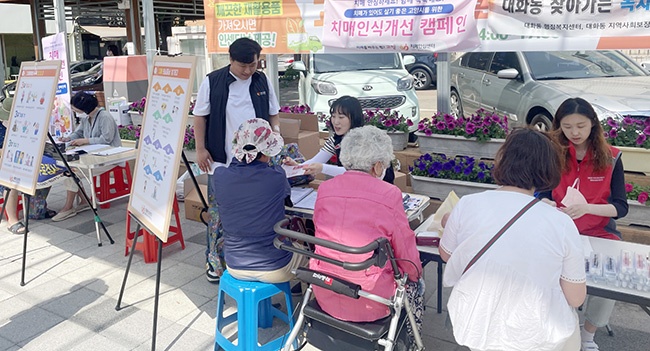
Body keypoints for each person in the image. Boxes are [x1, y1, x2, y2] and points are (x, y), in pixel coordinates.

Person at [440, 128, 586, 351]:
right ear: (548, 169)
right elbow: (576, 298)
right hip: (538, 334)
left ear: (502, 159)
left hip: (478, 322)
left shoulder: (467, 204)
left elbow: (446, 254)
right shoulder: (561, 222)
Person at [310, 125, 423, 340]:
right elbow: (406, 256)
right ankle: (408, 341)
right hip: (370, 299)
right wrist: (416, 275)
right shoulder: (389, 194)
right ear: (378, 166)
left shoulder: (325, 189)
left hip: (325, 288)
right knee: (416, 283)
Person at [537, 97, 628, 351]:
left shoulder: (611, 157)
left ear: (593, 125)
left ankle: (588, 335)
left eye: (581, 126)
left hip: (600, 232)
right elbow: (542, 193)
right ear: (558, 126)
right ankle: (564, 327)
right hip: (559, 232)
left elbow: (621, 207)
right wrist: (548, 205)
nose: (574, 133)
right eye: (567, 127)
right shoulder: (552, 153)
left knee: (609, 278)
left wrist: (587, 208)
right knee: (546, 271)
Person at [192, 37, 280, 283]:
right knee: (219, 213)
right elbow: (199, 117)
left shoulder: (262, 80)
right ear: (230, 60)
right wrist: (200, 149)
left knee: (257, 211)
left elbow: (273, 114)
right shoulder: (213, 81)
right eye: (243, 66)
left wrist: (276, 137)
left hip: (258, 160)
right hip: (222, 161)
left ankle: (253, 259)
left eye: (253, 65)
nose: (248, 71)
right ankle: (214, 262)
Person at [214, 118, 304, 282]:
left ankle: (262, 304)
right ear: (266, 152)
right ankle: (298, 294)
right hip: (274, 266)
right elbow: (286, 200)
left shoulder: (219, 176)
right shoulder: (276, 176)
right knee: (306, 251)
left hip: (234, 264)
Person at [284, 95, 395, 182]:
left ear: (354, 118)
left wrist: (322, 168)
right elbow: (316, 162)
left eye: (341, 117)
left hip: (378, 188)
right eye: (333, 116)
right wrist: (297, 166)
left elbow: (358, 173)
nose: (336, 122)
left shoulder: (366, 139)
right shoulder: (335, 140)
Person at [53, 92, 121, 221]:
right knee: (70, 170)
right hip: (93, 155)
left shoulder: (105, 117)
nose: (74, 110)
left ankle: (69, 207)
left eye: (75, 108)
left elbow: (106, 139)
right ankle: (83, 201)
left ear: (84, 108)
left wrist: (85, 141)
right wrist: (67, 138)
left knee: (73, 172)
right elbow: (78, 133)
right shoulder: (86, 118)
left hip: (109, 157)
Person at [0, 97, 59, 234]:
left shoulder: (23, 123)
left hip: (23, 161)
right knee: (11, 181)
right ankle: (12, 220)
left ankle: (36, 208)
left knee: (48, 171)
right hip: (6, 167)